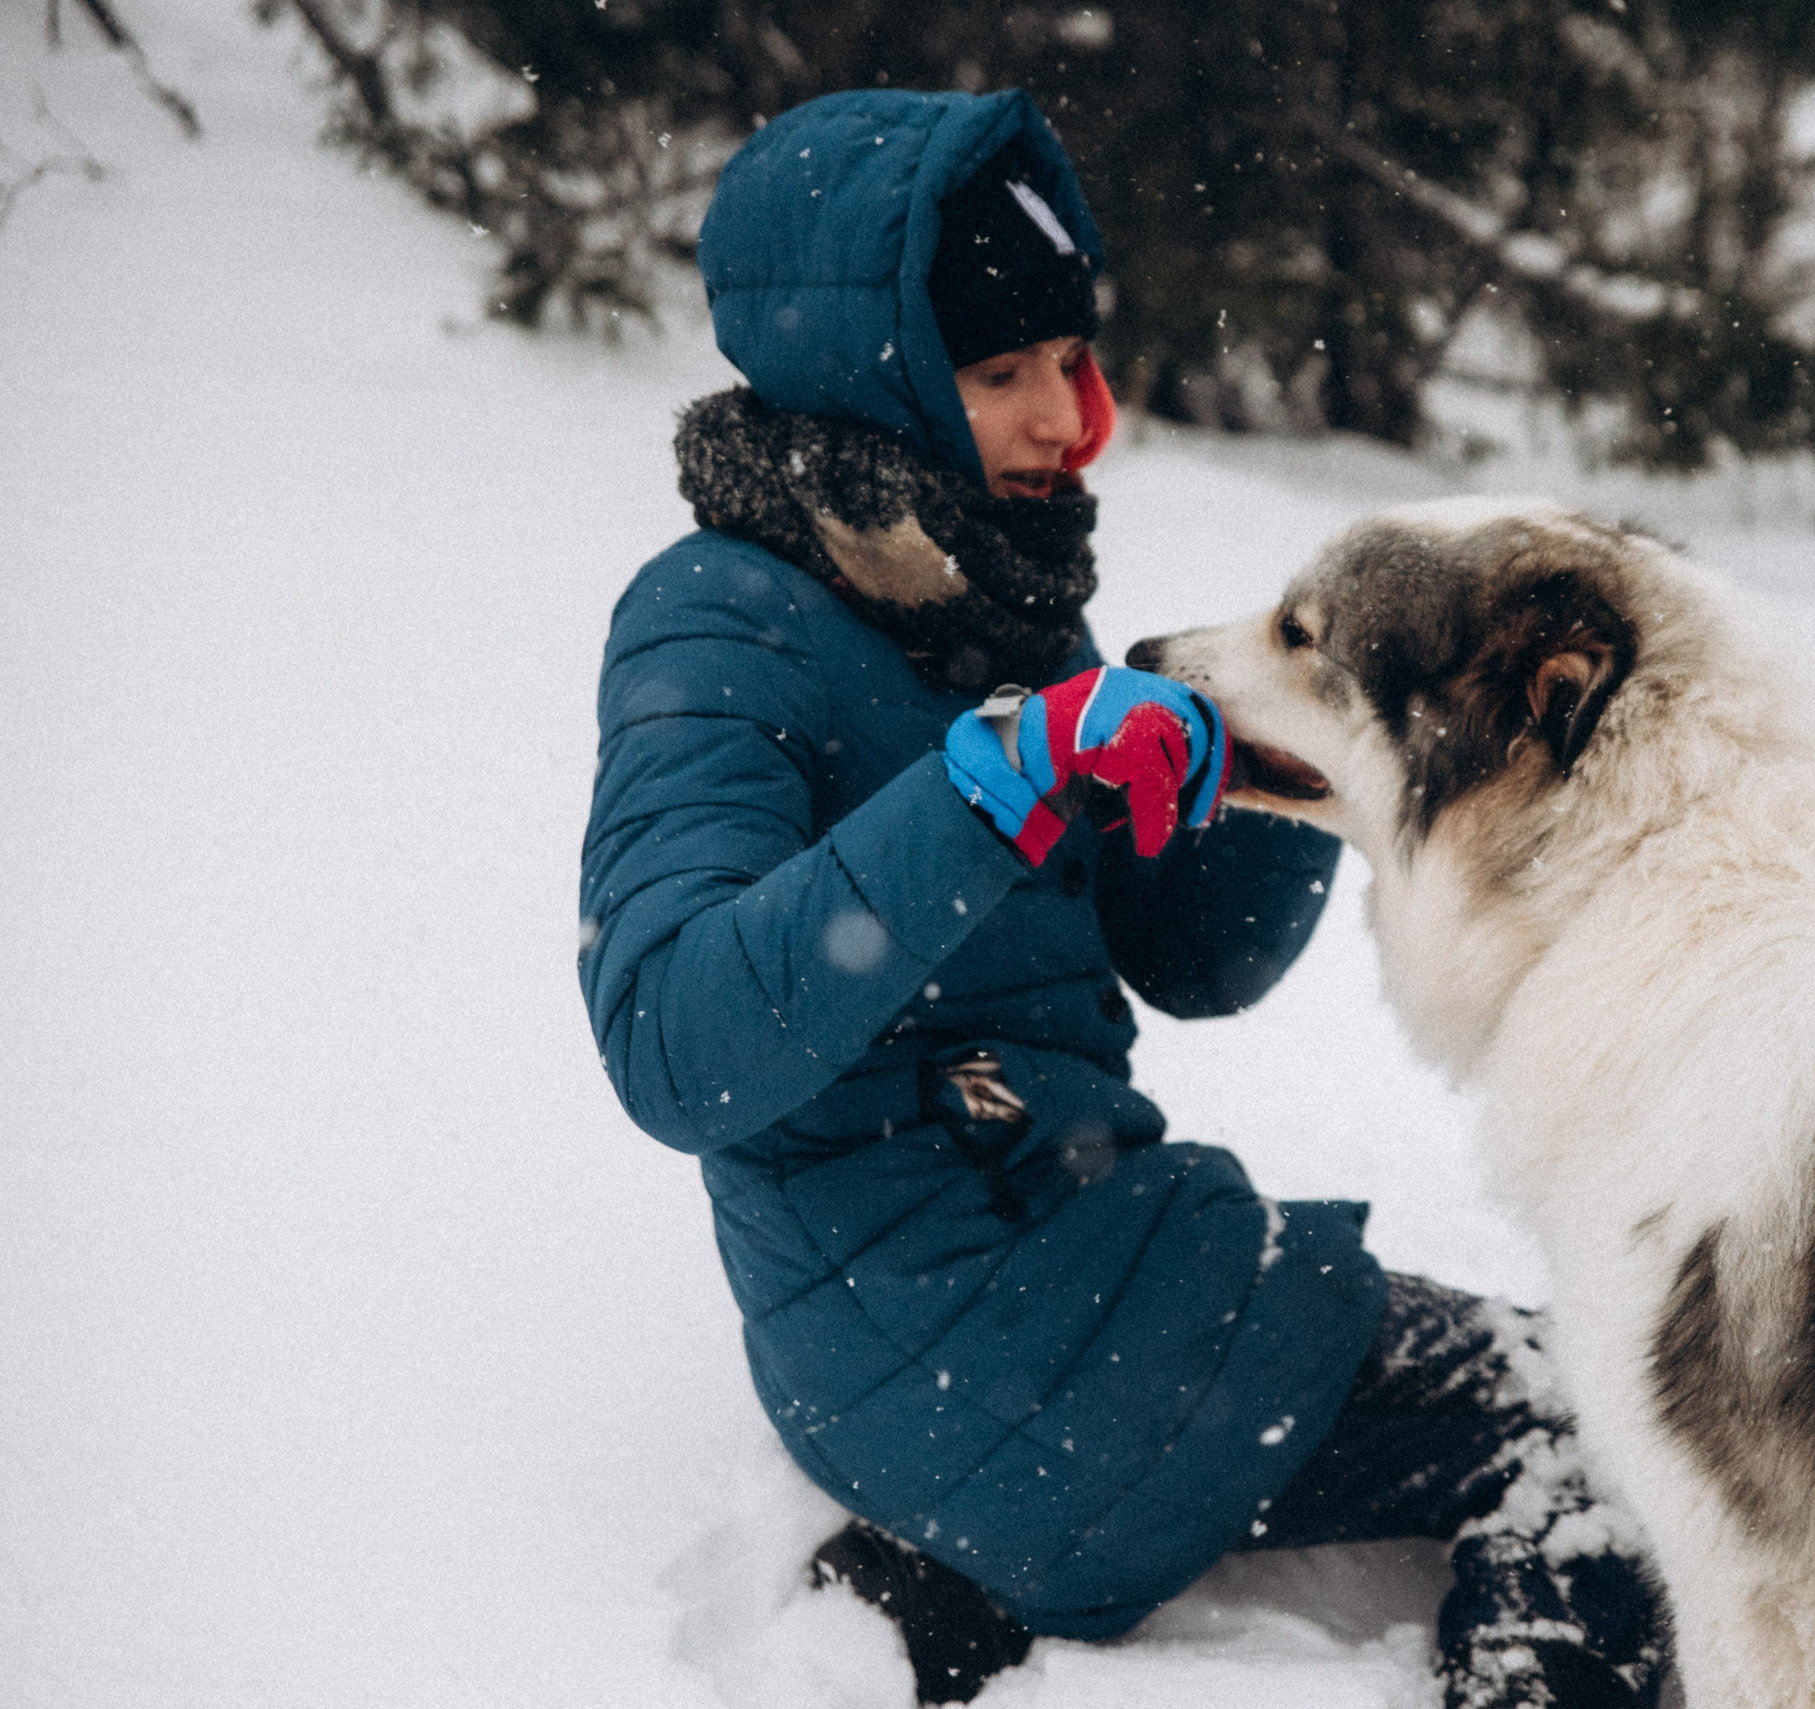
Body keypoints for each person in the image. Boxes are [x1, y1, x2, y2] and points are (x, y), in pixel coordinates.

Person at [578, 86, 1668, 1709]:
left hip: (966, 1327)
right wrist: (990, 785)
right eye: (999, 373)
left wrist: (1288, 746)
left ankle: (960, 1560)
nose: (1055, 417)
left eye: (1066, 365)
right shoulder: (717, 620)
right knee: (1620, 1428)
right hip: (1008, 1324)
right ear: (870, 379)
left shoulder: (981, 595)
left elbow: (1195, 958)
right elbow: (677, 1035)